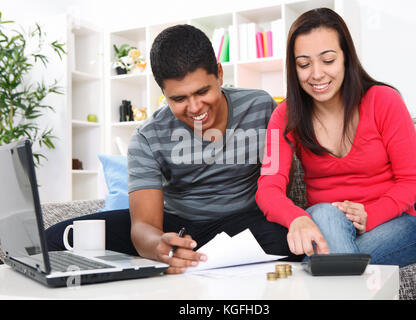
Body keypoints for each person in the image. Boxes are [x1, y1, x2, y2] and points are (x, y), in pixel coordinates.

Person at [46, 24, 300, 274]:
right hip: (176, 226)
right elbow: (144, 225)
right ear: (164, 94)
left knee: (293, 239)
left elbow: (278, 183)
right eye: (178, 99)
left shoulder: (260, 106)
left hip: (244, 222)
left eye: (202, 91)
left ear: (220, 74)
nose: (195, 107)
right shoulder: (148, 136)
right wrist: (158, 245)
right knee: (54, 239)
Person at [255, 8, 416, 267]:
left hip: (392, 225)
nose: (316, 74)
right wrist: (296, 219)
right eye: (304, 64)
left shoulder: (384, 101)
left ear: (346, 57)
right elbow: (268, 189)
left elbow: (412, 181)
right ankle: (335, 272)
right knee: (324, 212)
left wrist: (371, 214)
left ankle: (323, 268)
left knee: (322, 259)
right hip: (327, 224)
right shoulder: (284, 116)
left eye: (328, 60)